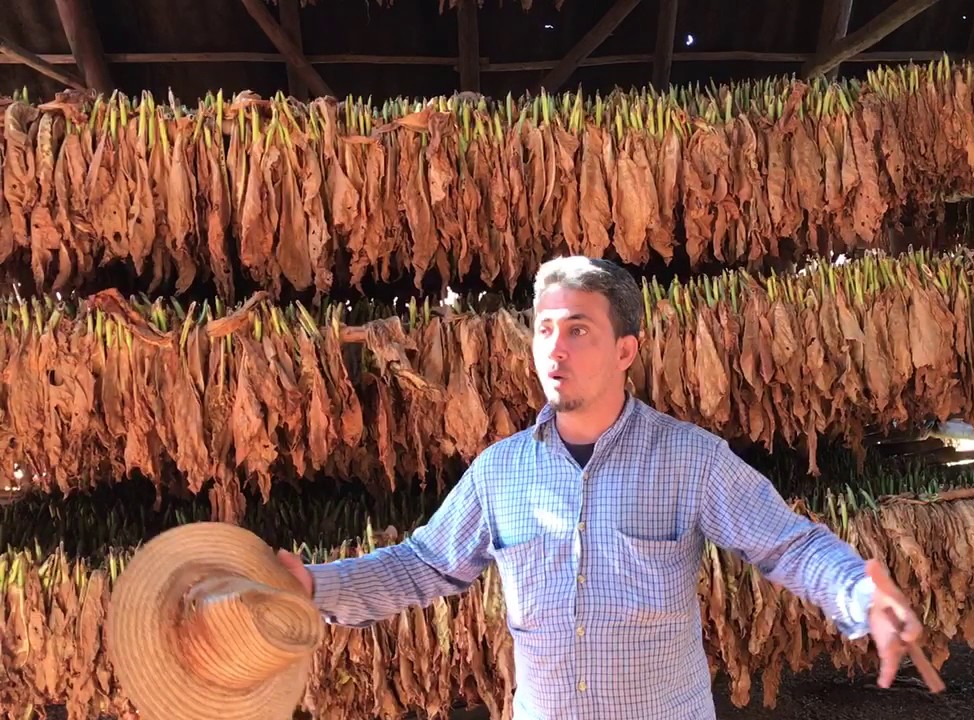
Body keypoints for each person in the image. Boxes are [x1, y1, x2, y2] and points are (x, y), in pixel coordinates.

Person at [276, 255, 924, 719]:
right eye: (544, 329)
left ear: (625, 352)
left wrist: (858, 591)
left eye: (579, 329)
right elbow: (424, 565)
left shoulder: (689, 460)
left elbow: (786, 545)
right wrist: (318, 586)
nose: (555, 350)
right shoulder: (500, 472)